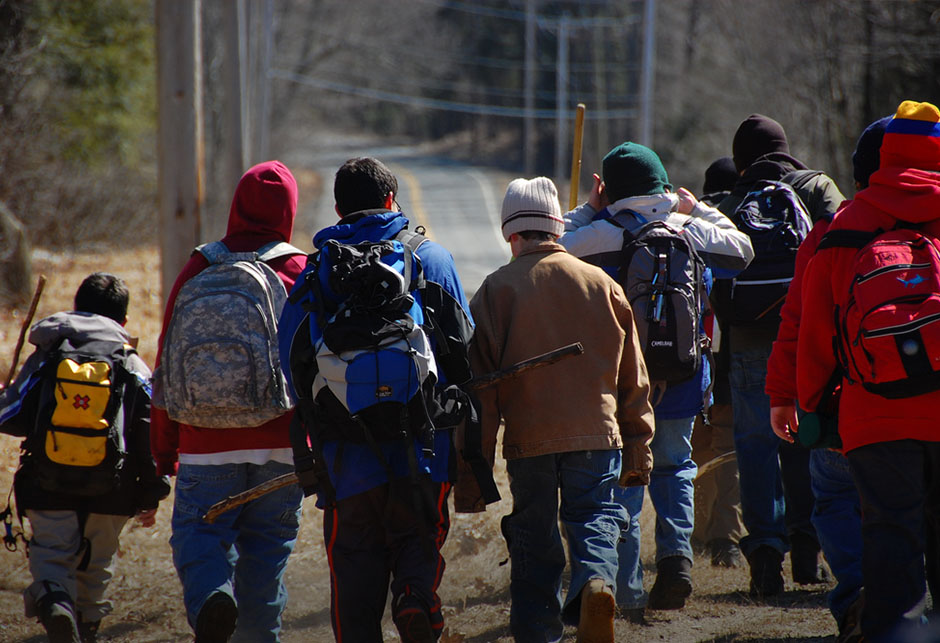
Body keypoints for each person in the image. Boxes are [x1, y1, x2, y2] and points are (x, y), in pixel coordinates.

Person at [277, 157, 477, 643]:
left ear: (338, 209)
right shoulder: (430, 258)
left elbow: (291, 361)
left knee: (353, 562)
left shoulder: (317, 271)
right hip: (422, 448)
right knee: (419, 539)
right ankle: (413, 598)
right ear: (391, 201)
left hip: (347, 456)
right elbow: (463, 351)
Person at [560, 142, 754, 618]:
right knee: (675, 465)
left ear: (610, 188)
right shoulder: (690, 229)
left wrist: (590, 207)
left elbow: (548, 242)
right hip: (684, 375)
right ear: (662, 182)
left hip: (620, 382)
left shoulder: (600, 233)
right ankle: (676, 558)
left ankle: (627, 590)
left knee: (622, 476)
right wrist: (698, 208)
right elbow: (743, 250)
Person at [459, 176, 655, 642]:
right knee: (596, 519)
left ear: (511, 233)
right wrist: (638, 448)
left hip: (530, 440)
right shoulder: (602, 284)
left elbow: (481, 396)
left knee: (534, 534)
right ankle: (595, 584)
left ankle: (538, 629)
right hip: (598, 435)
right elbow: (634, 378)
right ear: (558, 228)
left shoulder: (495, 290)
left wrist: (473, 473)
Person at [798, 100, 940, 642]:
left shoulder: (845, 226)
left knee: (889, 537)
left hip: (874, 416)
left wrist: (812, 407)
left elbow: (815, 331)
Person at [151, 161, 306, 643]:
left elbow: (166, 362)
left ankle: (212, 598)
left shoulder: (199, 267)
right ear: (289, 211)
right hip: (281, 444)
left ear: (236, 206)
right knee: (267, 558)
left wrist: (164, 452)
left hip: (204, 444)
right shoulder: (298, 271)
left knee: (199, 539)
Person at [767, 114, 890, 640]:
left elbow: (797, 322)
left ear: (859, 175)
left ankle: (862, 594)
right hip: (926, 410)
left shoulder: (832, 234)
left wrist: (787, 396)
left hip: (847, 406)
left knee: (837, 499)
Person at [0, 272, 170, 643]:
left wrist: (4, 394)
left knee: (52, 560)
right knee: (96, 570)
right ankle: (87, 623)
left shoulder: (48, 356)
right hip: (113, 491)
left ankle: (56, 602)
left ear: (76, 308)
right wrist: (152, 493)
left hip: (48, 483)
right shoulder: (133, 364)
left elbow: (11, 417)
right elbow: (150, 435)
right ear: (124, 320)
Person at [715, 114, 845, 596]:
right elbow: (847, 239)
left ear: (741, 160)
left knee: (755, 447)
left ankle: (766, 558)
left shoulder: (730, 201)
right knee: (807, 440)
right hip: (809, 338)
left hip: (748, 342)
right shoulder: (815, 187)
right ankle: (809, 555)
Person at [691, 156, 746, 569]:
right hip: (732, 355)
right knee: (729, 450)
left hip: (689, 359)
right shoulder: (738, 226)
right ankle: (726, 541)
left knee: (696, 448)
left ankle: (693, 534)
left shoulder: (693, 227)